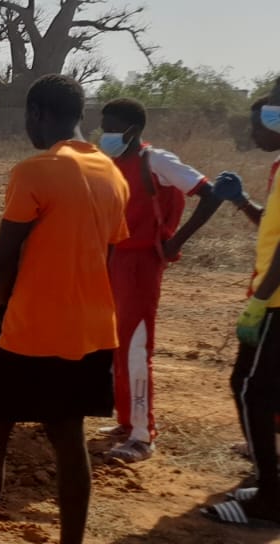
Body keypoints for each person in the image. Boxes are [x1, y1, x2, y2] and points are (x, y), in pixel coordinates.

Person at [0, 75, 128, 544]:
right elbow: (108, 256)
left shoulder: (36, 171)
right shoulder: (112, 174)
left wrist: (0, 306)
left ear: (37, 113)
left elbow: (4, 256)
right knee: (68, 437)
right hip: (92, 329)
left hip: (34, 327)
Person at [94, 98, 224, 463]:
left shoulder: (157, 161)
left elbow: (209, 193)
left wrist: (175, 241)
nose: (105, 135)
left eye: (111, 128)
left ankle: (142, 435)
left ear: (132, 130)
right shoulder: (113, 162)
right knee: (117, 345)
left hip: (141, 263)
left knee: (136, 347)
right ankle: (127, 421)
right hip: (115, 260)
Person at [199, 92, 280, 526]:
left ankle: (270, 496)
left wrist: (259, 300)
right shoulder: (278, 168)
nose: (252, 132)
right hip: (273, 300)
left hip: (276, 304)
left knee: (249, 389)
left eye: (257, 124)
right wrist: (243, 202)